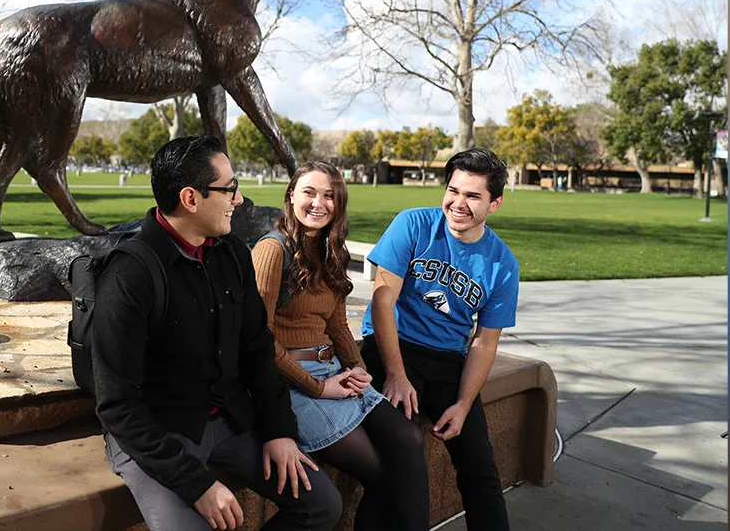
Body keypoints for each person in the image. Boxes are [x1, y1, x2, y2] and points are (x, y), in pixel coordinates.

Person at [91, 135, 342, 531]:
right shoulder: (129, 275)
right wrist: (197, 485)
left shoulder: (231, 253)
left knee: (322, 505)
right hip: (157, 433)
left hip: (228, 419)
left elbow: (257, 348)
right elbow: (117, 405)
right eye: (230, 189)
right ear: (190, 198)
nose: (238, 200)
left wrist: (279, 431)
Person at [252, 162, 430, 531]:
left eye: (329, 195)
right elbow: (258, 339)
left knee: (410, 439)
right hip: (289, 383)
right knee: (380, 473)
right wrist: (318, 387)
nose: (319, 203)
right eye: (309, 193)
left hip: (335, 372)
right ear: (290, 197)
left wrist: (357, 367)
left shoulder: (332, 250)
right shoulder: (272, 250)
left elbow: (335, 323)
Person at [360, 148, 519, 531]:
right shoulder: (412, 225)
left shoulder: (502, 263)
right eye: (453, 190)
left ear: (494, 203)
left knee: (480, 468)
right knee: (396, 455)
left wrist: (464, 404)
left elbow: (483, 342)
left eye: (473, 196)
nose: (458, 203)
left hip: (449, 360)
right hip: (391, 347)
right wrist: (396, 375)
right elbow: (383, 301)